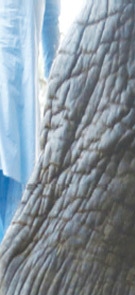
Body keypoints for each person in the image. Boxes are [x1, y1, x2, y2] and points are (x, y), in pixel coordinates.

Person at [0, 0, 60, 239]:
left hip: (20, 97)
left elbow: (50, 27)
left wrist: (59, 94)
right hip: (13, 93)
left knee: (15, 212)